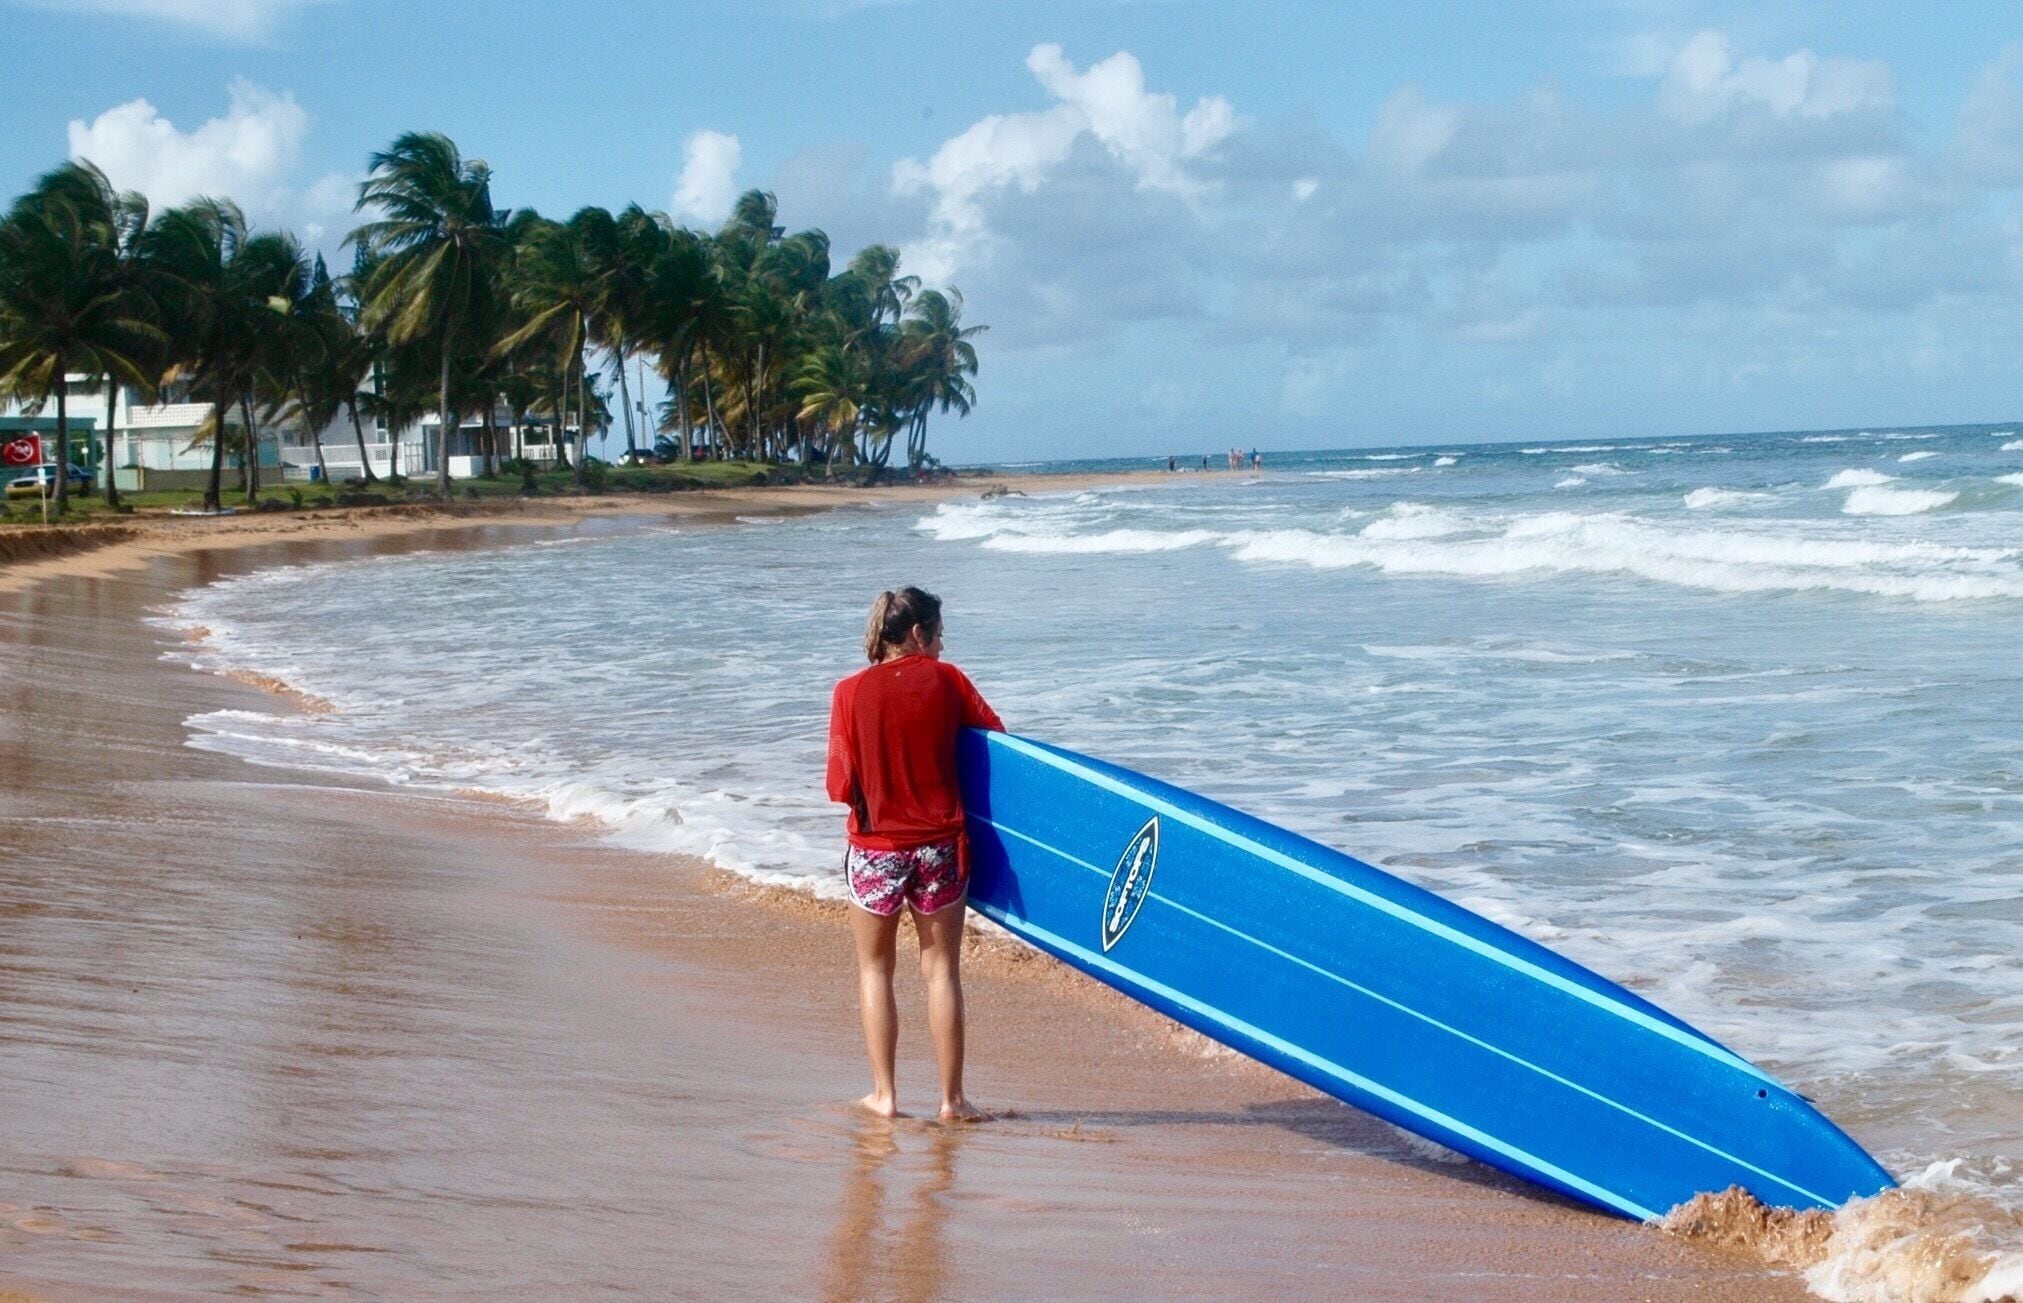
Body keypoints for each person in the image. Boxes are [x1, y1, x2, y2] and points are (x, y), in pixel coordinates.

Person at [826, 587, 1004, 1122]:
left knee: (875, 970)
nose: (943, 647)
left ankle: (884, 1097)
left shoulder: (848, 692)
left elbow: (839, 784)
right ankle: (953, 1101)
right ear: (919, 633)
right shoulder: (948, 682)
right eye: (940, 635)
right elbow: (996, 740)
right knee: (942, 972)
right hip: (941, 847)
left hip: (876, 848)